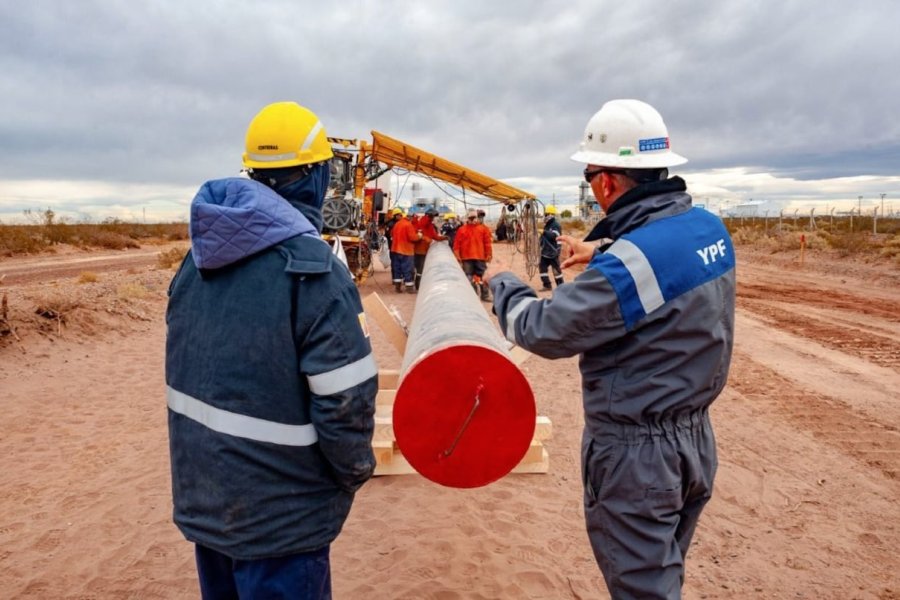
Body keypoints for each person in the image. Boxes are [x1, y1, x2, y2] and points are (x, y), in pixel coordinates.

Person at [485, 99, 735, 599]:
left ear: (606, 182)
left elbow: (543, 329)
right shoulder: (708, 229)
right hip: (693, 441)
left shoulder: (629, 268)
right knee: (663, 572)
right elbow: (663, 252)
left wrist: (503, 285)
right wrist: (598, 250)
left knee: (644, 587)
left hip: (638, 457)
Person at [166, 101, 379, 600]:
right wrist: (353, 473)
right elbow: (345, 405)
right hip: (283, 520)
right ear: (316, 176)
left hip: (209, 505)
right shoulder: (314, 273)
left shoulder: (194, 266)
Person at [453, 208, 493, 301]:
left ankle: (485, 295)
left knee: (483, 277)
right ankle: (472, 296)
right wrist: (458, 257)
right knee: (469, 277)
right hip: (466, 258)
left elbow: (487, 243)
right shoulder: (461, 230)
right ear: (467, 218)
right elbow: (456, 245)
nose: (473, 219)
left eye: (474, 217)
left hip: (480, 257)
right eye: (471, 218)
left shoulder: (483, 229)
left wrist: (489, 254)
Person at [412, 207, 446, 290]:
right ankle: (415, 284)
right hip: (417, 250)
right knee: (417, 267)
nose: (433, 219)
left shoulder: (430, 225)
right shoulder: (419, 223)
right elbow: (414, 234)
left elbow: (435, 236)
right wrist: (424, 238)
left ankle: (417, 284)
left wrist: (443, 238)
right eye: (432, 217)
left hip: (423, 250)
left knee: (420, 268)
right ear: (429, 216)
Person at [390, 207, 421, 293]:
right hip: (406, 251)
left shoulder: (397, 224)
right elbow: (413, 238)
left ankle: (397, 287)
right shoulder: (408, 225)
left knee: (397, 269)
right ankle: (409, 288)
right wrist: (419, 235)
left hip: (395, 250)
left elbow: (392, 234)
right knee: (408, 269)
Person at [538, 204, 564, 290]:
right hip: (545, 251)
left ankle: (561, 287)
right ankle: (547, 285)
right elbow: (544, 237)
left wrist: (544, 232)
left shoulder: (555, 225)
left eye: (546, 214)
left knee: (556, 271)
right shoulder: (548, 225)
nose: (545, 216)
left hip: (553, 252)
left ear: (550, 214)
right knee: (542, 268)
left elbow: (554, 236)